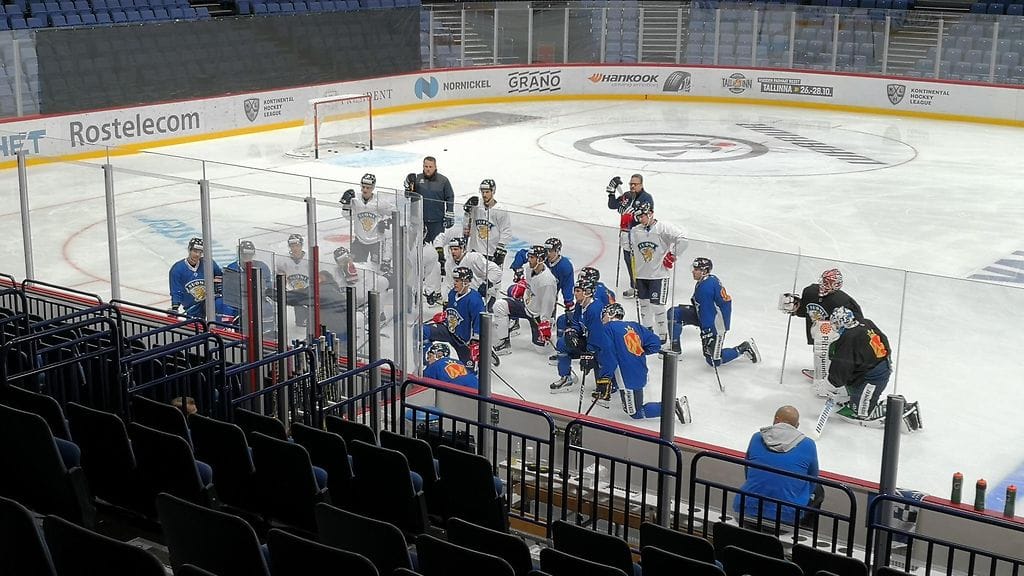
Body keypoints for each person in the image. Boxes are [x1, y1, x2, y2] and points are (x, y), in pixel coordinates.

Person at [778, 268, 863, 395]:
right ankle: (821, 371)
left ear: (836, 285)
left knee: (832, 355)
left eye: (829, 283)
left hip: (836, 335)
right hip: (817, 331)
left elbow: (857, 319)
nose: (824, 285)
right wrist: (794, 307)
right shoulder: (809, 291)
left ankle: (827, 377)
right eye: (824, 281)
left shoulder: (843, 301)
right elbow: (806, 310)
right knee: (818, 350)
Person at [734, 405, 823, 526]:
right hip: (787, 514)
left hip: (746, 505)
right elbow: (813, 478)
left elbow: (747, 470)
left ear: (776, 420)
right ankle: (804, 533)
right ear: (797, 426)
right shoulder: (808, 444)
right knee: (818, 490)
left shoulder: (757, 437)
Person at [668, 257, 760, 366]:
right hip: (707, 316)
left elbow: (708, 313)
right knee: (675, 313)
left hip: (716, 324)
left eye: (696, 269)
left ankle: (743, 348)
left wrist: (707, 333)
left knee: (714, 360)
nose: (693, 271)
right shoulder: (708, 280)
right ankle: (675, 348)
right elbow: (705, 309)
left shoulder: (705, 288)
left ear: (704, 271)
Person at [628, 201, 688, 342]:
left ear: (650, 214)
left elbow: (683, 240)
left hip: (659, 275)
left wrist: (673, 255)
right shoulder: (635, 231)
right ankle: (647, 333)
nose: (640, 219)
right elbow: (629, 249)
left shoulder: (663, 227)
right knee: (644, 305)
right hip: (641, 275)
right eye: (637, 216)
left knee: (657, 306)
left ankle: (662, 336)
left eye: (642, 216)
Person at [597, 303, 667, 419]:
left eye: (604, 315)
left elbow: (608, 356)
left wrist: (604, 378)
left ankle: (672, 406)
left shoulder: (607, 329)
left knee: (635, 412)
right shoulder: (634, 326)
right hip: (640, 369)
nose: (602, 318)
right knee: (634, 400)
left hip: (627, 376)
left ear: (611, 314)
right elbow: (655, 343)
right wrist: (636, 352)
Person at [826, 307, 894, 424]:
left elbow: (843, 364)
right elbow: (884, 338)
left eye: (836, 323)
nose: (835, 327)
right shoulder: (866, 322)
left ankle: (889, 413)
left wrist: (833, 382)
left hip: (875, 376)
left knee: (860, 413)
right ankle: (854, 394)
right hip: (875, 366)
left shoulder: (849, 338)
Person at [422, 266, 496, 371]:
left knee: (467, 372)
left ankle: (485, 354)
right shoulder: (452, 293)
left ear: (466, 282)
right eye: (454, 280)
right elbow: (451, 311)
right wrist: (445, 316)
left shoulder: (475, 300)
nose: (454, 283)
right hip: (449, 331)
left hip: (463, 342)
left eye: (457, 281)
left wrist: (476, 343)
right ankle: (426, 361)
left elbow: (479, 324)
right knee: (421, 331)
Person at [491, 244, 556, 356]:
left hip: (538, 315)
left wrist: (545, 322)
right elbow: (529, 282)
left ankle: (554, 334)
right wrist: (523, 284)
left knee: (542, 350)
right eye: (529, 256)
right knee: (499, 305)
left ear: (540, 259)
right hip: (526, 305)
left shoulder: (548, 281)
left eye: (532, 257)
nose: (529, 260)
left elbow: (548, 304)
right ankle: (504, 343)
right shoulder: (529, 268)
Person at [550, 277, 608, 395]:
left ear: (587, 292)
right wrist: (573, 331)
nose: (575, 294)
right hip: (589, 340)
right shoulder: (580, 304)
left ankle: (611, 384)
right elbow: (576, 321)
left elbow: (597, 335)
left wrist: (589, 354)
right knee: (562, 343)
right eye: (575, 290)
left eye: (578, 291)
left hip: (601, 345)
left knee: (602, 383)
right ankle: (566, 378)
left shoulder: (595, 309)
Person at [606, 174, 653, 299]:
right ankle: (634, 286)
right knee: (628, 259)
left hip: (640, 234)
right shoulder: (626, 195)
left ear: (641, 185)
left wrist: (636, 214)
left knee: (639, 261)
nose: (632, 186)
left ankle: (643, 287)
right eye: (631, 183)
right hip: (625, 232)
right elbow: (612, 205)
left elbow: (647, 215)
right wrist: (611, 192)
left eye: (635, 184)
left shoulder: (646, 198)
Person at [339, 173, 395, 264]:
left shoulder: (380, 202)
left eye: (368, 188)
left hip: (376, 241)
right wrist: (345, 205)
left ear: (373, 188)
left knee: (376, 268)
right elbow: (348, 217)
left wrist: (386, 221)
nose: (365, 190)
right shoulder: (355, 200)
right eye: (363, 187)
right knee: (358, 267)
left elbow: (394, 212)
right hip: (359, 240)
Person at [168, 237, 229, 320]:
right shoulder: (177, 269)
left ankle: (219, 331)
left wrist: (219, 289)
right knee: (195, 328)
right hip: (192, 307)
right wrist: (175, 307)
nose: (197, 255)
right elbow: (176, 291)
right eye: (195, 251)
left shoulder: (208, 263)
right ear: (189, 250)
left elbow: (220, 278)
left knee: (219, 305)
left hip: (210, 301)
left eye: (200, 252)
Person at [223, 240, 274, 330]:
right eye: (245, 255)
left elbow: (268, 288)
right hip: (238, 302)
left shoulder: (262, 267)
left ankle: (266, 332)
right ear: (240, 254)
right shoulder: (231, 268)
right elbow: (228, 292)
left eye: (250, 255)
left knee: (268, 308)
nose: (247, 257)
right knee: (225, 308)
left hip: (257, 300)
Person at [463, 179, 512, 267]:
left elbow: (506, 231)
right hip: (475, 251)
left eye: (487, 192)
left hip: (491, 253)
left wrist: (500, 248)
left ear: (493, 191)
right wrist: (467, 211)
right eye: (482, 192)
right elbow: (466, 226)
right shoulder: (476, 205)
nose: (484, 194)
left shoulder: (500, 209)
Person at [407, 156, 454, 243]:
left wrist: (449, 213)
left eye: (430, 167)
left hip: (437, 222)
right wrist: (408, 187)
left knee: (437, 246)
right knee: (419, 247)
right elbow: (408, 195)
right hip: (420, 221)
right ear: (423, 167)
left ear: (435, 167)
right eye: (426, 166)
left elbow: (450, 197)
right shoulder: (417, 179)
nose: (428, 169)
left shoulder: (443, 181)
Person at [443, 236, 501, 302]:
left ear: (463, 249)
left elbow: (497, 271)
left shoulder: (474, 257)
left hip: (486, 294)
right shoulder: (449, 263)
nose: (453, 252)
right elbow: (450, 284)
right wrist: (447, 300)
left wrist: (487, 284)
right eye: (451, 249)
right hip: (466, 295)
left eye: (455, 249)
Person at [275, 233, 311, 327]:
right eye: (292, 246)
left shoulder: (310, 259)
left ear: (301, 246)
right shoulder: (282, 260)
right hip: (292, 292)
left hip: (308, 291)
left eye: (297, 245)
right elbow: (279, 275)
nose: (294, 248)